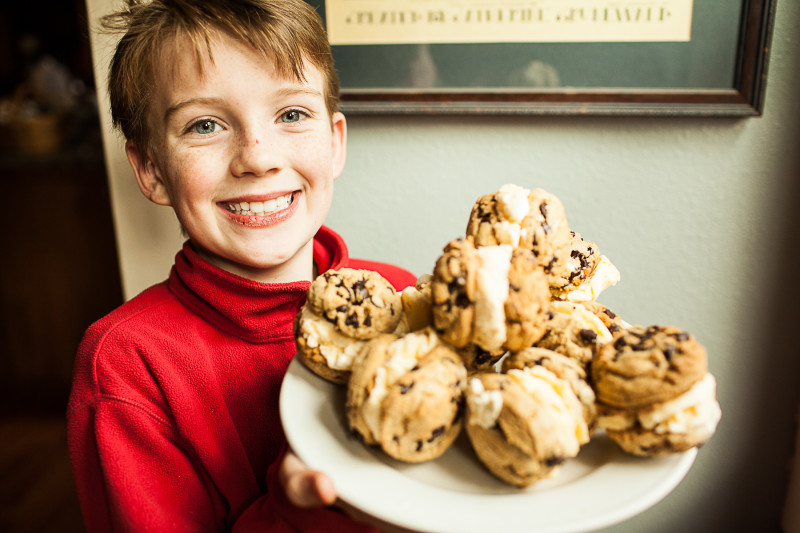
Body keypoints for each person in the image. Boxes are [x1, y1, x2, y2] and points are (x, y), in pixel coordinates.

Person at [66, 0, 417, 531]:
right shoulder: (127, 368)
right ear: (153, 170)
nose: (258, 156)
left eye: (291, 115)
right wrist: (293, 514)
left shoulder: (402, 294)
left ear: (335, 141)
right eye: (205, 124)